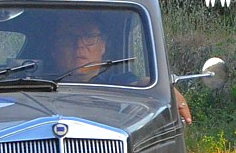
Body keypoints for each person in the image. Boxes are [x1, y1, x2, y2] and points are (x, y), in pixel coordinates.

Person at [49, 16, 192, 124]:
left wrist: (166, 90)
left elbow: (140, 84)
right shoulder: (32, 84)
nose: (79, 45)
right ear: (54, 49)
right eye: (68, 37)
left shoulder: (117, 83)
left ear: (103, 46)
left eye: (89, 37)